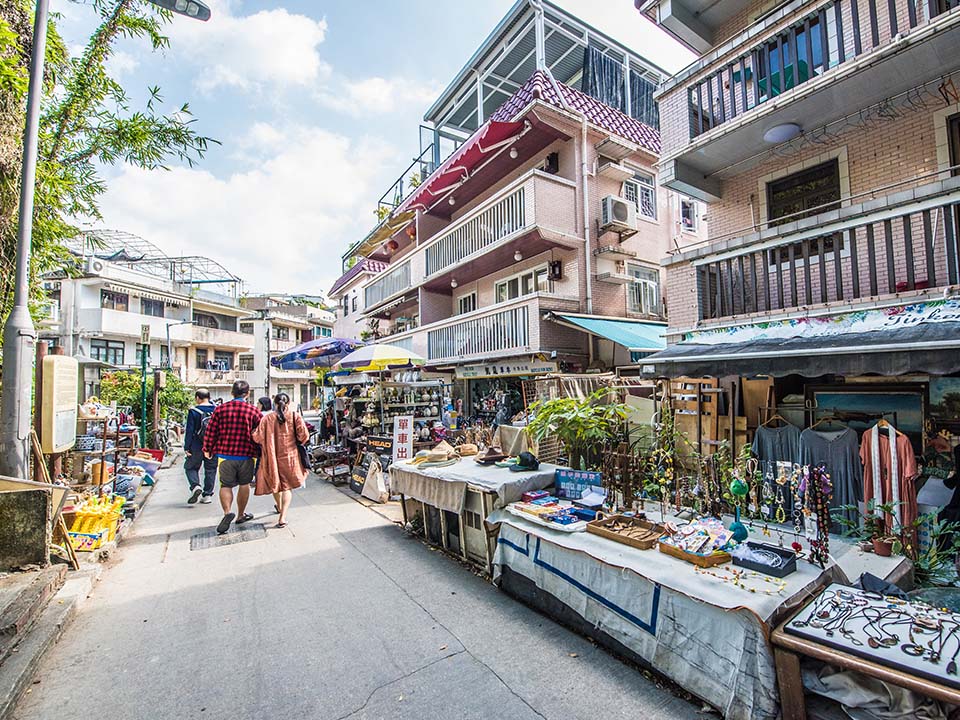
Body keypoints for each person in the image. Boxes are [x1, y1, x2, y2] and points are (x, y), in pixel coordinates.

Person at [203, 380, 263, 534]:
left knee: (226, 485)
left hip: (225, 455)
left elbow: (211, 432)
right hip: (247, 455)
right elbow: (261, 433)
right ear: (247, 393)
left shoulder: (220, 410)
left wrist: (207, 449)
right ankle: (241, 514)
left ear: (232, 393)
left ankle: (227, 512)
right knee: (244, 484)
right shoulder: (254, 411)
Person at [252, 393, 308, 528]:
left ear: (275, 404)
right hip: (290, 457)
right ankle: (282, 517)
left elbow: (257, 438)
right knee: (287, 487)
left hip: (272, 458)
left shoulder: (267, 419)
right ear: (288, 403)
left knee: (276, 485)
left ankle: (279, 506)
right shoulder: (295, 416)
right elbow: (304, 436)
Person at [184, 389, 218, 505]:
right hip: (212, 446)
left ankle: (195, 486)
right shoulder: (217, 410)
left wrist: (187, 447)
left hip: (196, 445)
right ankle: (207, 494)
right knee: (211, 470)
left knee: (190, 467)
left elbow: (190, 430)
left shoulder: (194, 411)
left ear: (198, 398)